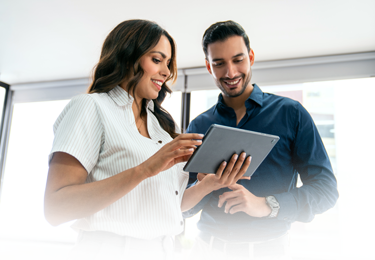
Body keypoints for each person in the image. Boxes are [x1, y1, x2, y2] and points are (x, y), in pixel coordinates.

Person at [43, 20, 251, 260]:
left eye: (168, 63)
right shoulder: (91, 107)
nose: (166, 72)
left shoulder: (163, 126)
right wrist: (145, 169)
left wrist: (208, 185)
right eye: (156, 59)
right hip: (110, 251)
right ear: (128, 56)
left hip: (161, 251)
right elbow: (55, 209)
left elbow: (167, 206)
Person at [183, 20, 339, 260]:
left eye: (238, 60)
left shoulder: (291, 114)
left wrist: (266, 205)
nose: (231, 72)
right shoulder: (199, 126)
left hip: (267, 254)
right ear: (208, 66)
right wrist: (205, 185)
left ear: (251, 57)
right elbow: (182, 206)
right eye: (219, 63)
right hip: (205, 252)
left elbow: (325, 191)